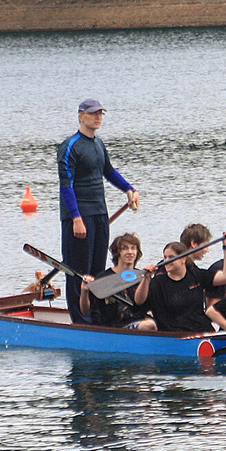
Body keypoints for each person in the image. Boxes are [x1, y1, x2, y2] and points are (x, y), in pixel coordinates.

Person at [57, 98, 140, 323]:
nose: (98, 117)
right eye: (93, 114)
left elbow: (109, 171)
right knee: (78, 273)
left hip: (99, 214)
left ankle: (96, 316)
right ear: (81, 117)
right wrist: (76, 218)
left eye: (100, 114)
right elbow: (66, 186)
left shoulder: (99, 143)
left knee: (97, 270)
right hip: (78, 217)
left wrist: (128, 189)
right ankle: (80, 321)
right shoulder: (70, 146)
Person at [133, 241, 214, 333]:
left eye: (171, 257)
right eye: (165, 257)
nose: (166, 260)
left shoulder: (196, 275)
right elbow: (139, 301)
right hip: (172, 333)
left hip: (200, 330)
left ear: (183, 259)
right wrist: (146, 278)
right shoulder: (158, 282)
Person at [79, 232, 149, 329]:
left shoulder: (143, 278)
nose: (130, 252)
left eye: (133, 248)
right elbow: (85, 311)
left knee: (151, 324)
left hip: (137, 324)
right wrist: (84, 291)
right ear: (117, 252)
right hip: (111, 328)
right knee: (149, 325)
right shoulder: (104, 278)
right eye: (125, 248)